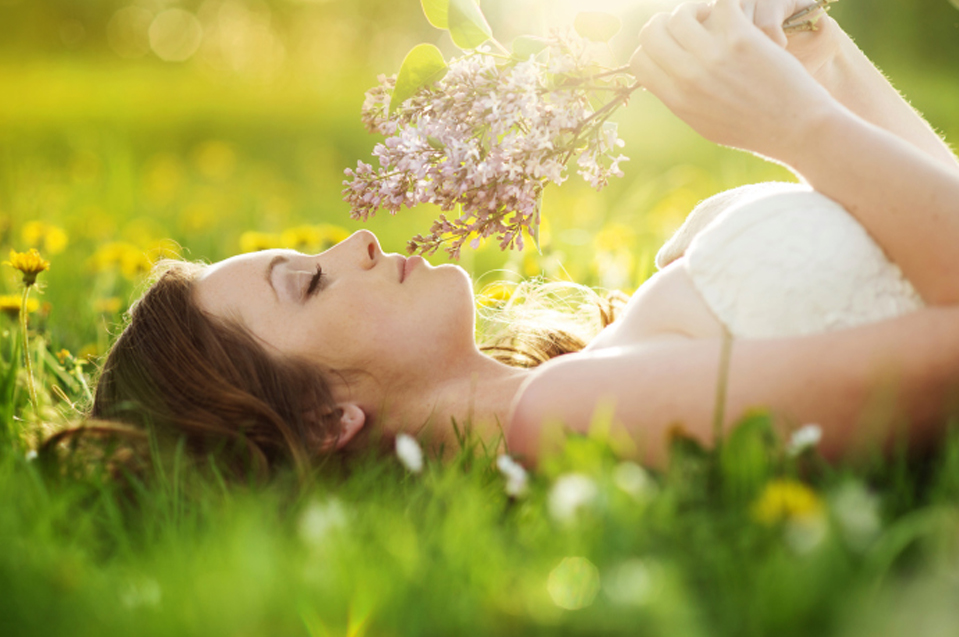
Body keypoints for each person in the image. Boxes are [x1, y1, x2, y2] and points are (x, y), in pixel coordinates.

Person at [86, 0, 959, 477]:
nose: (352, 241)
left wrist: (809, 47)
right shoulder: (560, 420)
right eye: (307, 284)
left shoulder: (599, 362)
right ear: (326, 421)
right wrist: (793, 126)